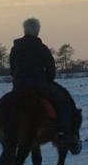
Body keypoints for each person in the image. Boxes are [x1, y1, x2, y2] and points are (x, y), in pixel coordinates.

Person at [10, 18, 75, 146]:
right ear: (37, 31)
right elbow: (50, 67)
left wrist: (18, 80)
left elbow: (12, 68)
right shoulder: (41, 47)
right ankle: (63, 133)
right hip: (39, 85)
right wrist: (49, 79)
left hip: (19, 86)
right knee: (64, 101)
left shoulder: (15, 48)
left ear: (24, 30)